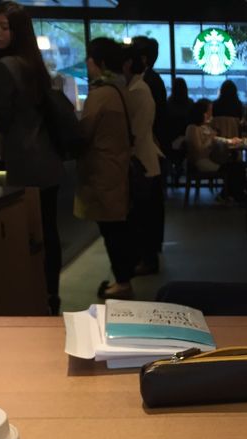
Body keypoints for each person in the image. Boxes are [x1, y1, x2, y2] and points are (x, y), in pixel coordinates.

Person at [0, 1, 65, 315]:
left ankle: (36, 296)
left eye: (5, 27)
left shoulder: (5, 67)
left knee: (31, 234)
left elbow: (3, 120)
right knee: (49, 230)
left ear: (17, 31)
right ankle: (51, 295)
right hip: (48, 160)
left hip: (25, 163)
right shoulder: (33, 64)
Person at [73, 38, 133, 301]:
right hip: (119, 167)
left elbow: (84, 132)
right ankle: (123, 278)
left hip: (102, 171)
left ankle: (122, 282)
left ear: (100, 62)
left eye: (89, 58)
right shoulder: (122, 90)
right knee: (118, 228)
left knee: (112, 231)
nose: (87, 63)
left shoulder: (100, 94)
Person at [121, 42, 165, 287]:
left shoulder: (139, 89)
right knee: (147, 213)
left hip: (142, 160)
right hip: (148, 158)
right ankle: (147, 257)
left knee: (143, 215)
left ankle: (147, 259)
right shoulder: (142, 86)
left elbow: (136, 132)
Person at [130, 35, 167, 274]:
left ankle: (148, 258)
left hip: (147, 153)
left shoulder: (144, 85)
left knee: (146, 210)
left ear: (142, 58)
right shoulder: (152, 81)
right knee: (151, 209)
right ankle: (149, 255)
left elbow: (145, 126)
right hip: (153, 152)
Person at [184, 98, 247, 203]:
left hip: (210, 160)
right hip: (201, 162)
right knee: (236, 168)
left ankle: (233, 194)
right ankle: (231, 195)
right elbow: (199, 150)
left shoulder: (204, 127)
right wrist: (210, 139)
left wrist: (230, 140)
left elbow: (216, 139)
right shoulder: (192, 128)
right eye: (209, 111)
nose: (211, 114)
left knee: (242, 166)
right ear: (202, 112)